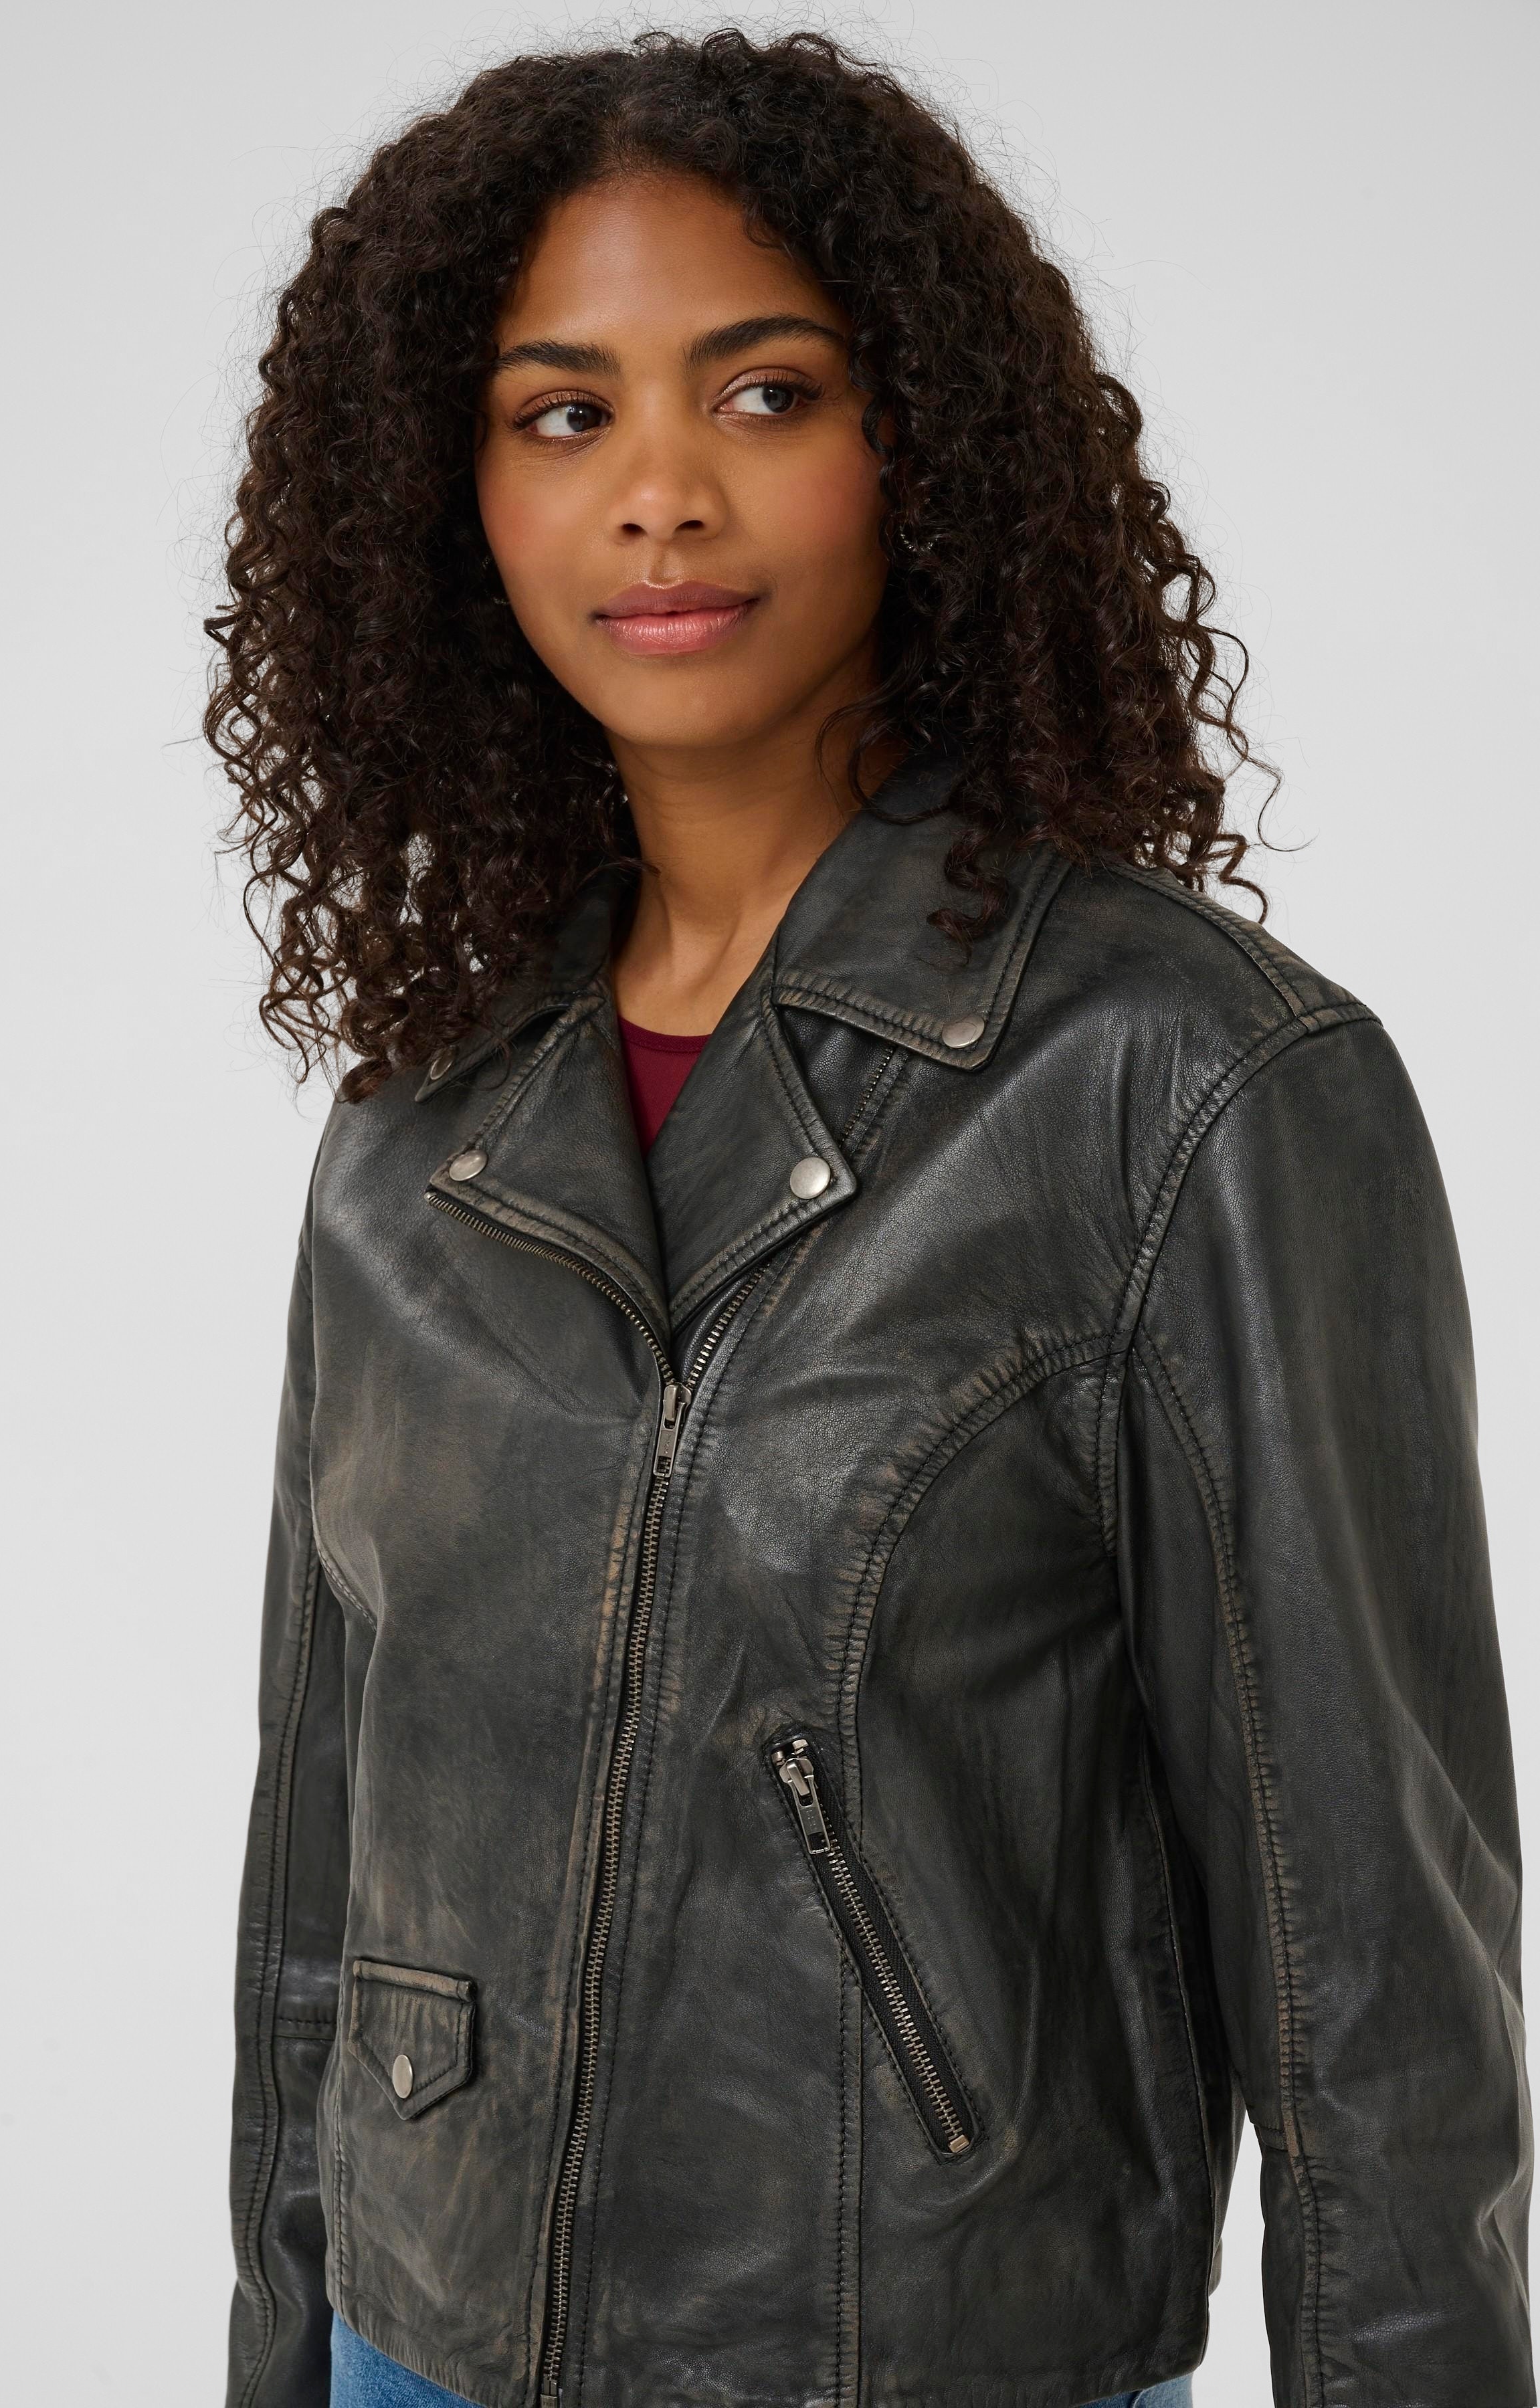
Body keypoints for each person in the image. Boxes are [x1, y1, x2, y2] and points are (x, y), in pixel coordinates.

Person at [207, 30, 1532, 2408]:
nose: (659, 497)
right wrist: (283, 2356)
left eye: (765, 392)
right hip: (418, 2350)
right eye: (561, 413)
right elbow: (321, 1881)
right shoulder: (419, 1119)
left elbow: (1380, 1987)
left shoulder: (1187, 1083)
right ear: (448, 493)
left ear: (921, 438)